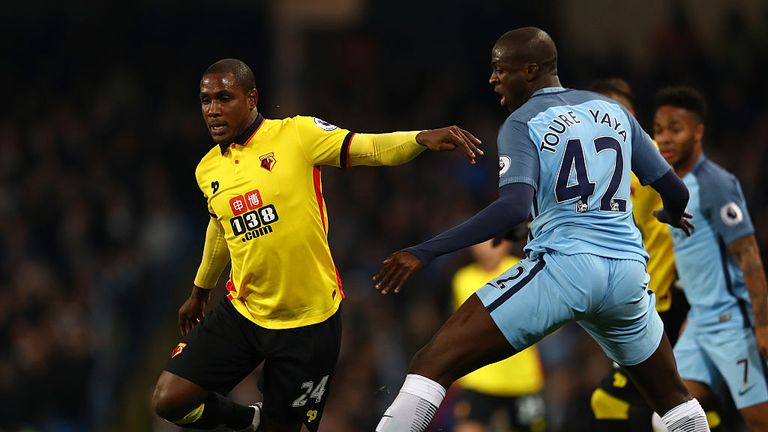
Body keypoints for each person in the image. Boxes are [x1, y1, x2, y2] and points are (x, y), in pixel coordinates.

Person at [372, 27, 710, 432]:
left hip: (565, 269)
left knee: (430, 365)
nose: (493, 79)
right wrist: (672, 213)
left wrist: (426, 250)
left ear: (530, 70)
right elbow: (674, 188)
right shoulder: (613, 111)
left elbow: (513, 206)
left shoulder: (522, 122)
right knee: (674, 402)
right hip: (626, 275)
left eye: (500, 69)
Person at [150, 58, 484, 432]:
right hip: (244, 313)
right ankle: (250, 421)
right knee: (169, 400)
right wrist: (200, 290)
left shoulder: (297, 135)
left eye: (224, 98)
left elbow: (366, 148)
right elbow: (220, 228)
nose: (212, 109)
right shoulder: (207, 169)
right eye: (205, 100)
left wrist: (419, 138)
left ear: (251, 98)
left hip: (309, 324)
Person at [587, 78, 711, 431]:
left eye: (617, 110)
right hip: (640, 297)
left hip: (666, 300)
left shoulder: (650, 160)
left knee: (625, 403)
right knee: (662, 403)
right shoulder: (600, 166)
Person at [652, 86, 768, 431]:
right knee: (670, 418)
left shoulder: (715, 183)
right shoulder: (672, 187)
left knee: (759, 420)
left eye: (676, 128)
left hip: (734, 322)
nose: (665, 139)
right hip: (700, 322)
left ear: (698, 132)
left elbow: (749, 255)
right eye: (658, 131)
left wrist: (762, 325)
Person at [451, 239, 546, 432]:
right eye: (480, 241)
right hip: (479, 376)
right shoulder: (463, 279)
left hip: (522, 378)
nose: (487, 248)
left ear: (506, 242)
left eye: (493, 240)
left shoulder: (524, 271)